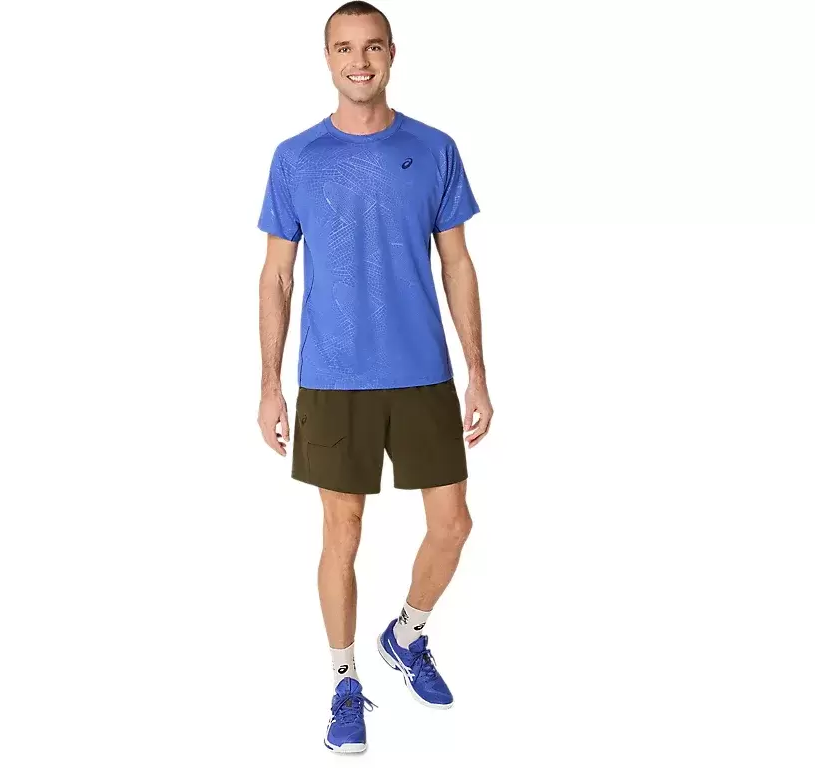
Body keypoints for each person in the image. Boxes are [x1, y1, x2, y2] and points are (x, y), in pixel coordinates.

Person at [256, 1, 493, 754]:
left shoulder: (434, 149)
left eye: (372, 47)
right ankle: (344, 681)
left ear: (392, 53)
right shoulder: (296, 157)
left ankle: (407, 634)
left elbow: (457, 263)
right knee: (343, 532)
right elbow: (276, 276)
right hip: (333, 376)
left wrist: (477, 372)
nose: (359, 61)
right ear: (327, 57)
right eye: (344, 48)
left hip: (422, 371)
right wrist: (269, 384)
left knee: (453, 525)